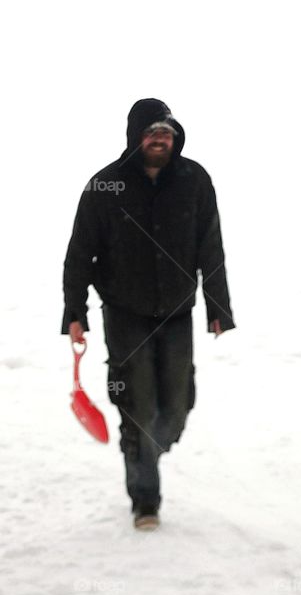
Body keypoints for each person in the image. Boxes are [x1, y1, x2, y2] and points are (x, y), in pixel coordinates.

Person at [62, 98, 235, 530]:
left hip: (177, 311)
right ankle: (145, 499)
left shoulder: (194, 180)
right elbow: (80, 253)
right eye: (152, 131)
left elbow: (210, 246)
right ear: (135, 136)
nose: (160, 138)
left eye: (167, 132)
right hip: (124, 314)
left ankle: (141, 447)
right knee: (138, 405)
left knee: (174, 409)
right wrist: (74, 311)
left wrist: (218, 305)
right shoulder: (105, 186)